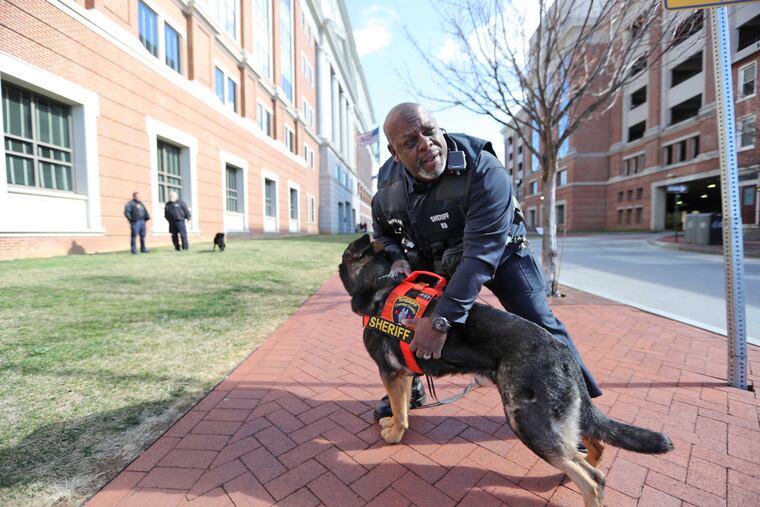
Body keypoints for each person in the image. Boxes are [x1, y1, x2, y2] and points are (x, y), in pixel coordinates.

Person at [371, 102, 601, 419]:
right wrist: (398, 269)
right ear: (394, 153)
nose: (426, 144)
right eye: (410, 142)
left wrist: (442, 320)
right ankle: (409, 388)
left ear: (440, 128)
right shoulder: (386, 188)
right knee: (396, 312)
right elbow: (384, 235)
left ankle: (579, 413)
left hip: (501, 250)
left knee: (540, 325)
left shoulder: (483, 168)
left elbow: (480, 255)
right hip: (438, 255)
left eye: (429, 131)